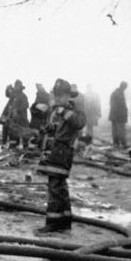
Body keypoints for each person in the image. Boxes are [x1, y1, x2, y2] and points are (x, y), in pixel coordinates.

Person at [34, 78, 86, 235]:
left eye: (62, 96)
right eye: (57, 95)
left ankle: (53, 223)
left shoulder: (74, 112)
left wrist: (62, 112)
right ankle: (64, 222)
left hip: (62, 155)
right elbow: (52, 130)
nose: (58, 99)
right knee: (60, 188)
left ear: (69, 96)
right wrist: (41, 134)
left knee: (55, 188)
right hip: (52, 154)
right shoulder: (54, 112)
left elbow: (79, 123)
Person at [109, 81, 129, 149]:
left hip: (114, 115)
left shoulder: (114, 93)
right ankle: (123, 144)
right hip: (119, 116)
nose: (125, 89)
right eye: (125, 87)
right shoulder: (119, 93)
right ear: (123, 87)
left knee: (114, 130)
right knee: (121, 130)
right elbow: (119, 106)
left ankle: (116, 144)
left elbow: (112, 105)